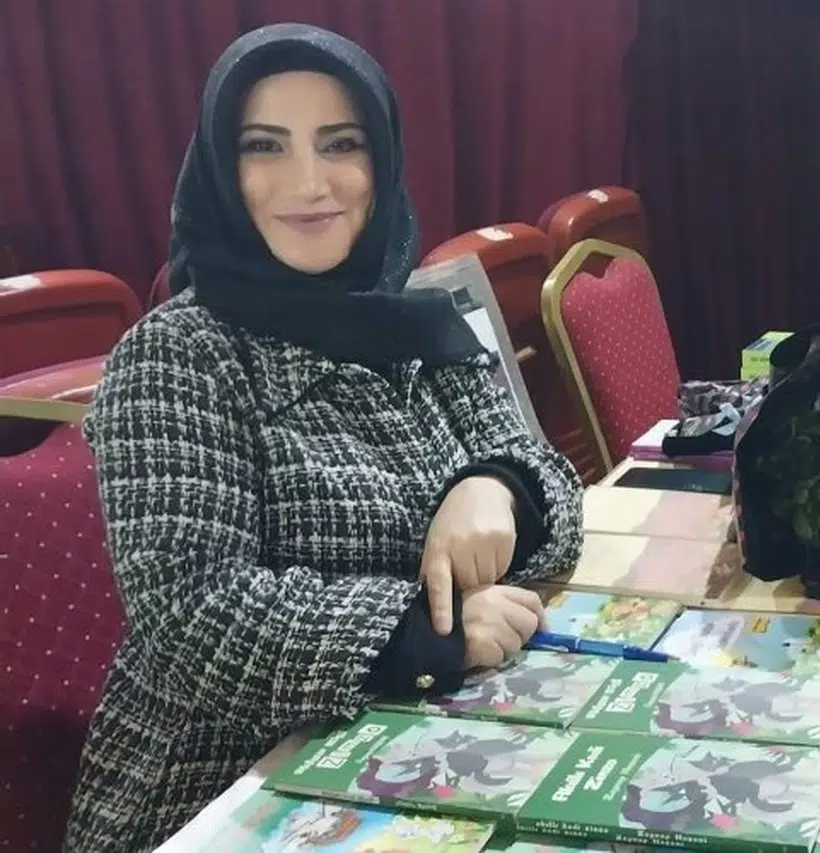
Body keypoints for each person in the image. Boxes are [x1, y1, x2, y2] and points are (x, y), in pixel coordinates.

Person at [63, 23, 583, 853]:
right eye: (264, 147)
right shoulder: (177, 356)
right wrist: (426, 635)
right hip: (223, 788)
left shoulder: (418, 321)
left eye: (341, 143)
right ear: (222, 169)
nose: (309, 182)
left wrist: (499, 486)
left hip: (424, 748)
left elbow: (554, 484)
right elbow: (195, 615)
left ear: (382, 159)